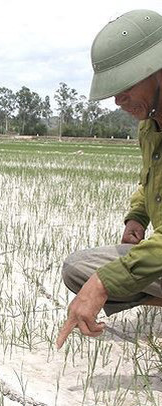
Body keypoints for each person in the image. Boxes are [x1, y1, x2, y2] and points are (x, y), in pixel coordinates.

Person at [57, 9, 162, 349]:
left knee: (100, 279)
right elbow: (149, 178)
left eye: (125, 85)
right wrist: (137, 216)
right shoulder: (150, 124)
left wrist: (104, 283)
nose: (118, 100)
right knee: (78, 269)